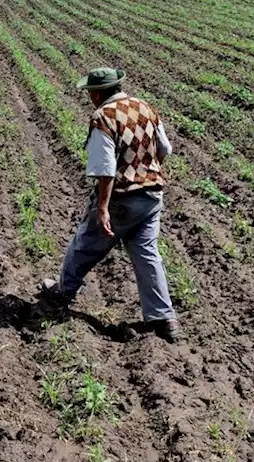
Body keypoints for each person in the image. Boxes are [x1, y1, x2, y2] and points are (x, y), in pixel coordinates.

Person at [41, 67, 183, 343]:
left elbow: (105, 169)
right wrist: (145, 172)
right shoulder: (145, 108)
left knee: (83, 246)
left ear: (96, 94)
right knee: (147, 255)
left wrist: (103, 208)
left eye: (90, 93)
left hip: (121, 199)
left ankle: (62, 292)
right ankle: (164, 318)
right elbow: (164, 149)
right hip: (152, 196)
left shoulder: (103, 118)